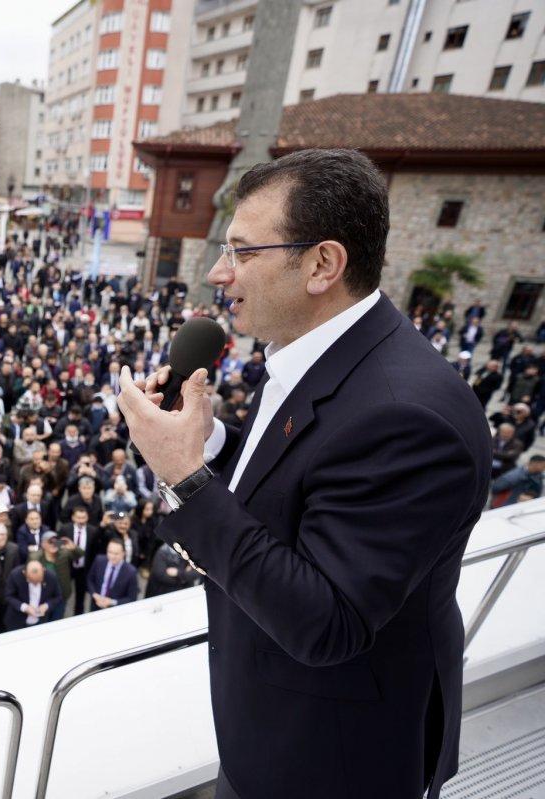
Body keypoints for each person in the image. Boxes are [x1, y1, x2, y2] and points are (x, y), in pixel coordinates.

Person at [115, 149, 491, 799]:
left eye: (241, 251)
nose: (217, 272)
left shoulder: (409, 418)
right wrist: (213, 442)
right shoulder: (311, 348)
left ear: (322, 264)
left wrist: (184, 475)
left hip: (331, 758)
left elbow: (329, 620)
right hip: (270, 722)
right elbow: (296, 483)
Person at [5, 559, 61, 630]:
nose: (35, 584)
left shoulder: (51, 577)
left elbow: (58, 596)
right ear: (24, 573)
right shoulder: (15, 575)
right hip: (17, 621)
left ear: (43, 571)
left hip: (41, 621)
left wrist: (46, 605)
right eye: (32, 581)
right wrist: (25, 607)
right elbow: (9, 596)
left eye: (39, 581)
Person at [85, 537, 137, 610]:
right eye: (110, 552)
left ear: (123, 553)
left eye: (116, 554)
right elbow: (90, 579)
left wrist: (112, 602)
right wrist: (94, 594)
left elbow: (132, 598)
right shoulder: (99, 560)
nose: (112, 556)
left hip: (115, 609)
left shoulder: (131, 572)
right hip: (95, 604)